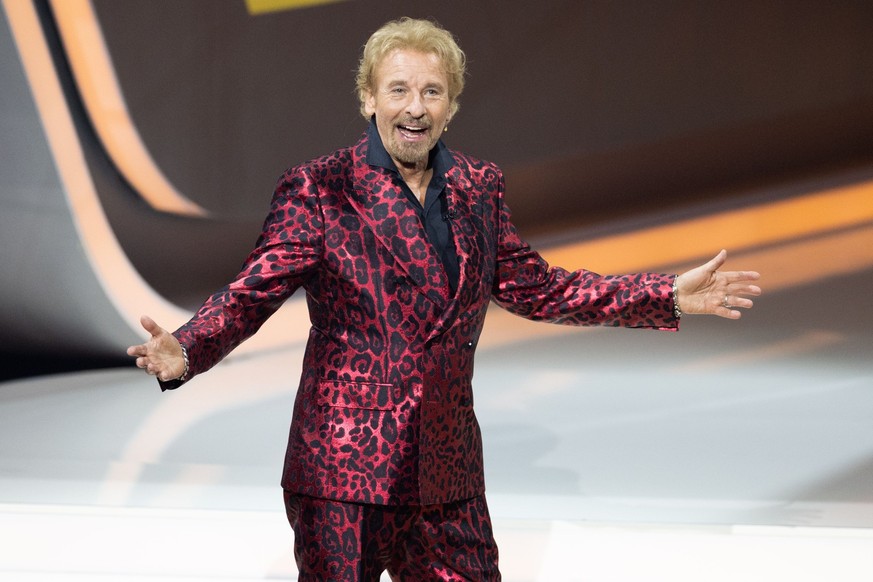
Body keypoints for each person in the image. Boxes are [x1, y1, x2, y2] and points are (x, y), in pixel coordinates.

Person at [127, 16, 761, 581]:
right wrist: (185, 349)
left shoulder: (478, 189)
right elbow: (252, 291)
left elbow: (541, 288)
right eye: (398, 89)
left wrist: (664, 295)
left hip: (446, 470)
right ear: (368, 98)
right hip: (347, 469)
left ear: (451, 105)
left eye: (432, 91)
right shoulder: (322, 188)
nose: (415, 106)